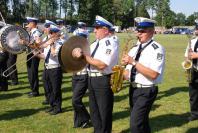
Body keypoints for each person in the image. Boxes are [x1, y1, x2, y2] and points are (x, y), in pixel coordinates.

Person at [73, 15, 119, 133]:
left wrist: (83, 55)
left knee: (104, 113)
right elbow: (87, 60)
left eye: (97, 28)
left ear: (105, 30)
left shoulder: (110, 43)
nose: (94, 30)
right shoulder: (94, 44)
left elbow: (102, 64)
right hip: (91, 79)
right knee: (94, 112)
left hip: (102, 79)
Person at [121, 17, 165, 133]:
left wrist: (133, 62)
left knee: (135, 125)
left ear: (151, 31)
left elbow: (153, 74)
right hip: (133, 89)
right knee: (142, 123)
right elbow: (128, 71)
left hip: (146, 90)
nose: (139, 34)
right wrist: (120, 74)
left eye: (142, 31)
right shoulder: (135, 48)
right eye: (138, 30)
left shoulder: (157, 49)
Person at [35, 24, 63, 115]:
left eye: (52, 33)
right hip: (47, 67)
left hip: (55, 68)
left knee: (55, 89)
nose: (50, 34)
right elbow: (44, 54)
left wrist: (51, 45)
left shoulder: (60, 43)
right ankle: (52, 105)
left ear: (57, 34)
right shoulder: (49, 42)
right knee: (47, 88)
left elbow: (54, 54)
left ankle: (57, 107)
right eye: (50, 33)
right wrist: (36, 53)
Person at [72, 22, 90, 128]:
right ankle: (78, 121)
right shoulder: (74, 49)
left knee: (76, 100)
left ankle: (86, 117)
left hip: (83, 76)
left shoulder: (88, 49)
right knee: (75, 101)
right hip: (75, 75)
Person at [24, 17, 42, 97]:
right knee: (30, 73)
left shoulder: (36, 32)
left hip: (34, 54)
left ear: (32, 23)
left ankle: (35, 91)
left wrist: (25, 42)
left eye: (29, 23)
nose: (27, 25)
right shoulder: (31, 32)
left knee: (33, 73)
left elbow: (36, 46)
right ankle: (33, 89)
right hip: (30, 53)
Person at [184, 20, 198, 121]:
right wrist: (187, 60)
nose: (196, 30)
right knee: (193, 94)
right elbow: (186, 56)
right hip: (193, 70)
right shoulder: (192, 41)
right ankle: (194, 114)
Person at [41, 20, 56, 105]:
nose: (45, 29)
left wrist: (52, 43)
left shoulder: (56, 39)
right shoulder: (45, 38)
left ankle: (53, 102)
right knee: (45, 82)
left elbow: (54, 53)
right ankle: (48, 99)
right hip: (46, 64)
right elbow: (41, 47)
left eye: (47, 27)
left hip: (54, 65)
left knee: (53, 86)